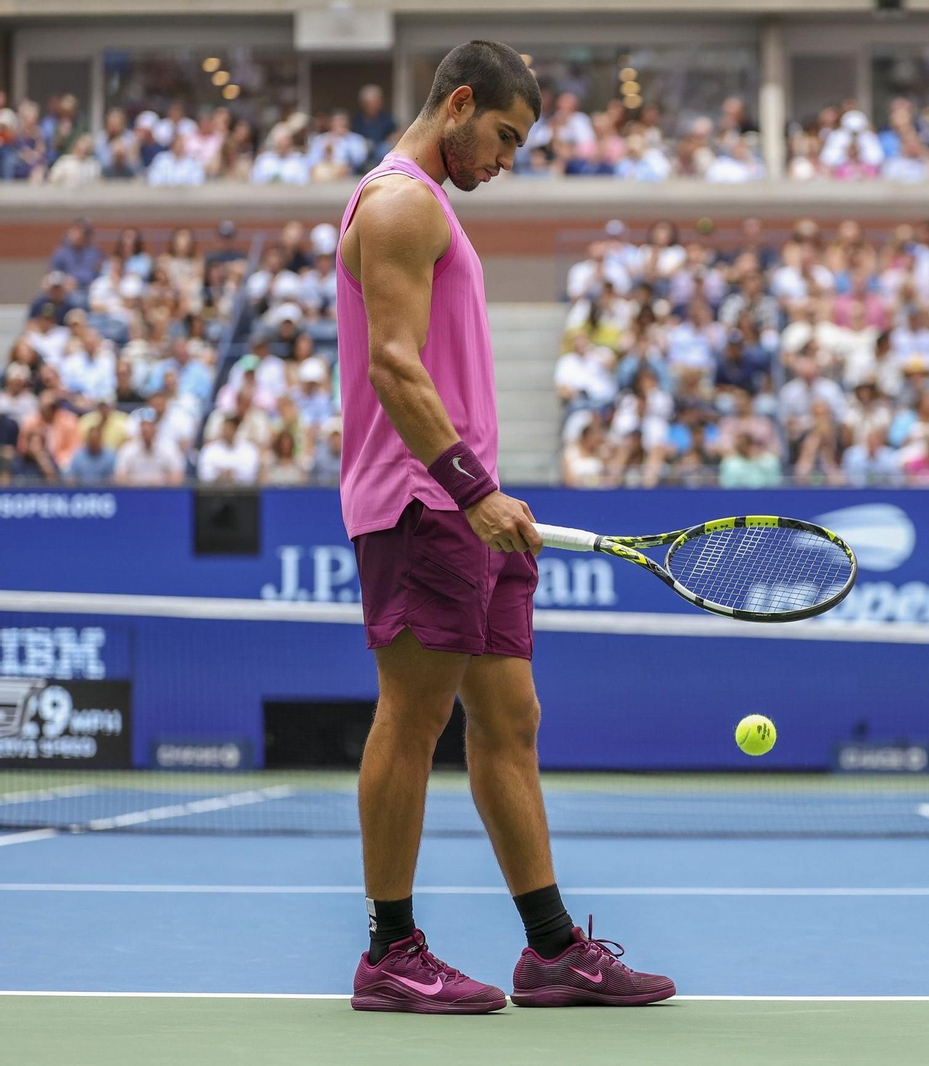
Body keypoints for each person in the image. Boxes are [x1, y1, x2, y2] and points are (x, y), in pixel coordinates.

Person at [335, 40, 673, 1016]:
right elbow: (395, 367)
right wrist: (466, 487)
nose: (504, 161)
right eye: (504, 138)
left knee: (510, 721)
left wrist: (486, 493)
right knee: (414, 716)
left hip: (467, 503)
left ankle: (553, 950)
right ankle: (389, 950)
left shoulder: (432, 207)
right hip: (420, 500)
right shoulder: (398, 201)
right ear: (460, 104)